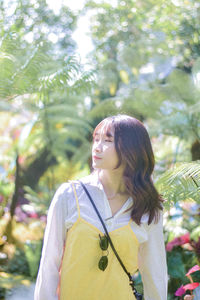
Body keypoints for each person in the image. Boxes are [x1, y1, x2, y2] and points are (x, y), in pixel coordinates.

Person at [34, 114, 168, 300]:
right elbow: (49, 264)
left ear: (132, 149)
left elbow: (155, 274)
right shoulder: (69, 195)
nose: (97, 146)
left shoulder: (148, 205)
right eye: (96, 139)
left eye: (107, 140)